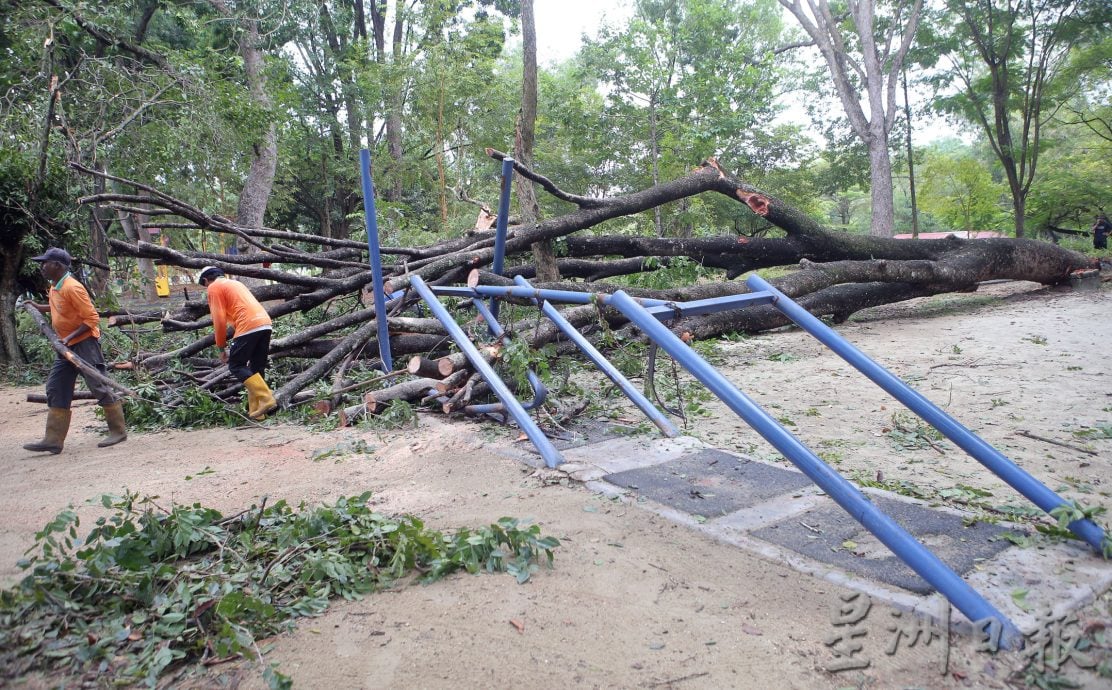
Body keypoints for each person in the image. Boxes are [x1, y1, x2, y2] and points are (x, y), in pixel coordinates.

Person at [23, 248, 127, 454]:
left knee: (98, 384)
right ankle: (53, 439)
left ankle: (118, 430)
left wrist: (69, 338)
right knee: (55, 387)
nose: (42, 266)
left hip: (84, 344)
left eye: (46, 263)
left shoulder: (73, 288)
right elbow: (58, 308)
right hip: (66, 347)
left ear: (58, 266)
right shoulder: (55, 287)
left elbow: (92, 318)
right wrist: (36, 306)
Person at [197, 266, 277, 420]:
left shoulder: (214, 287)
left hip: (248, 325)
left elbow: (219, 320)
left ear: (206, 280)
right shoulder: (236, 284)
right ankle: (258, 412)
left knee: (236, 365)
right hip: (265, 323)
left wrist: (221, 347)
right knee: (256, 368)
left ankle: (266, 397)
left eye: (205, 284)